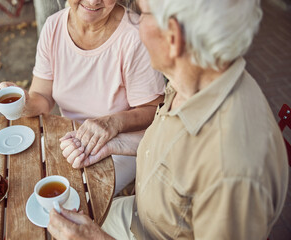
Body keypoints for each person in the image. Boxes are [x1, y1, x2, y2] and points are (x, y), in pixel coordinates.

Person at [47, 0, 289, 239]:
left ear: (172, 37)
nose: (136, 23)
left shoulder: (232, 170)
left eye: (142, 14)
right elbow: (178, 154)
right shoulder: (200, 76)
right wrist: (116, 144)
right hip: (140, 216)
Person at [0, 0, 165, 195]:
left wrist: (112, 123)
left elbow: (153, 110)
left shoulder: (135, 35)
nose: (93, 1)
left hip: (119, 143)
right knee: (23, 179)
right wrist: (26, 103)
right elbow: (42, 96)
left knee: (76, 195)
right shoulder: (53, 26)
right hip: (71, 138)